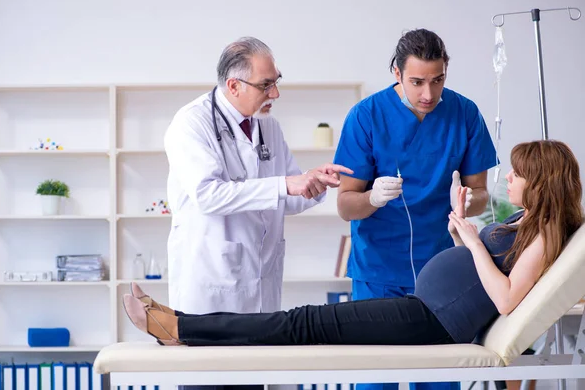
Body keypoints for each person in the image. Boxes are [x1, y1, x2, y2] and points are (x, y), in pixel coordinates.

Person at [125, 141, 582, 355]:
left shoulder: (545, 234)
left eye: (519, 175)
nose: (508, 179)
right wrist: (461, 230)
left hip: (433, 321)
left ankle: (179, 327)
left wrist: (468, 233)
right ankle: (180, 326)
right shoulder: (524, 221)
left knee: (302, 323)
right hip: (424, 307)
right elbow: (481, 272)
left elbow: (504, 297)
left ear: (542, 181)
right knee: (301, 322)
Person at [163, 37, 352, 390]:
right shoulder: (191, 124)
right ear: (233, 85)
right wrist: (286, 185)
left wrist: (314, 184)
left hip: (260, 289)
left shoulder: (269, 127)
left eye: (277, 81)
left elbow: (287, 197)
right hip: (211, 286)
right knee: (207, 385)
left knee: (250, 383)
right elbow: (208, 195)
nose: (275, 93)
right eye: (266, 85)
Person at [333, 29, 498, 390]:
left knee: (439, 379)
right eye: (417, 82)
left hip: (440, 271)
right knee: (376, 379)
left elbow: (482, 192)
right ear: (397, 73)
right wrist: (372, 198)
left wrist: (470, 200)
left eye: (437, 80)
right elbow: (346, 204)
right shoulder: (366, 116)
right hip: (377, 270)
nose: (428, 94)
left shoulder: (464, 114)